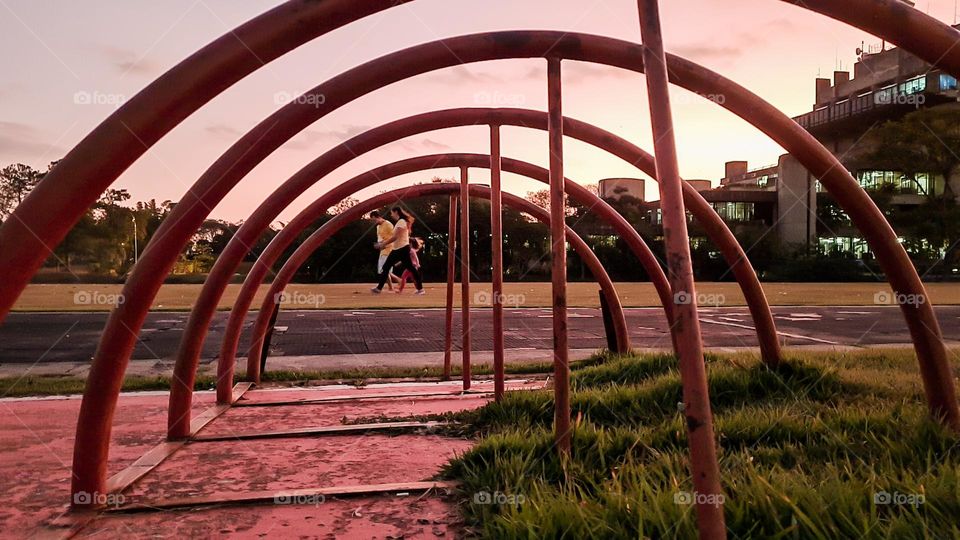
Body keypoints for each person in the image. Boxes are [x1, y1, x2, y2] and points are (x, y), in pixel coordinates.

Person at [371, 206, 424, 295]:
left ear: (396, 212)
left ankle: (378, 288)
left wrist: (383, 244)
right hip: (400, 248)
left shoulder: (401, 222)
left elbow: (395, 237)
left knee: (386, 267)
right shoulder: (401, 222)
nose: (391, 215)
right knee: (409, 268)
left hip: (401, 249)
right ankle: (420, 289)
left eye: (392, 213)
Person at [369, 210, 397, 291]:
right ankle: (392, 286)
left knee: (384, 270)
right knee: (384, 270)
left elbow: (394, 237)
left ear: (378, 217)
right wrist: (378, 245)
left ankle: (383, 287)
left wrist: (384, 244)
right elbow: (380, 239)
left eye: (374, 220)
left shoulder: (388, 224)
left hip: (389, 249)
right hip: (383, 250)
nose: (374, 222)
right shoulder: (378, 227)